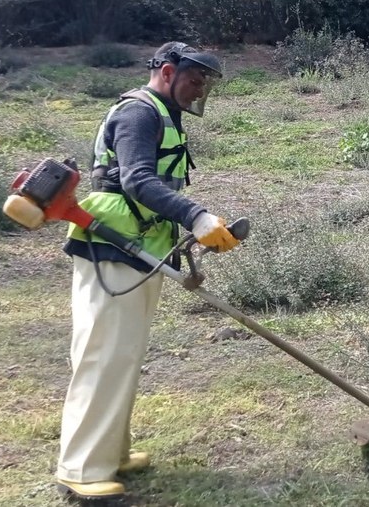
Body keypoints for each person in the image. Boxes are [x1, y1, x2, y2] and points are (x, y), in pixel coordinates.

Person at [55, 42, 241, 501]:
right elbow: (137, 179)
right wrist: (196, 216)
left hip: (140, 246)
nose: (200, 90)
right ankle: (80, 468)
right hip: (112, 246)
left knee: (124, 354)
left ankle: (110, 453)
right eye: (195, 80)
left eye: (204, 84)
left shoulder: (162, 111)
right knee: (102, 355)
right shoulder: (139, 113)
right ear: (168, 72)